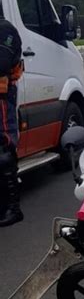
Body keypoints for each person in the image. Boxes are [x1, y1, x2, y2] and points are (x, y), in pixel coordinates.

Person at [0, 17, 23, 227]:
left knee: (4, 145)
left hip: (2, 97)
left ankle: (12, 208)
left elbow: (2, 62)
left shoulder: (5, 29)